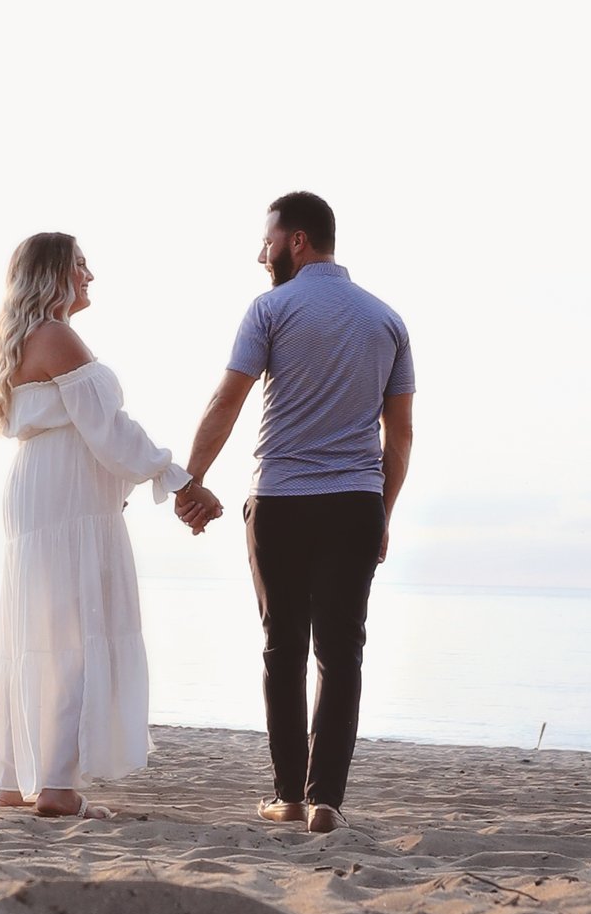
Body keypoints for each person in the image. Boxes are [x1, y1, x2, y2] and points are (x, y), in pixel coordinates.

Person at [176, 192, 413, 832]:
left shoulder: (271, 310)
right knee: (342, 653)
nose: (262, 253)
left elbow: (229, 399)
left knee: (283, 648)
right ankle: (326, 801)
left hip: (281, 501)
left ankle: (286, 795)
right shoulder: (387, 320)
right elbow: (402, 434)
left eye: (268, 240)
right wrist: (383, 512)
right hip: (355, 503)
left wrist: (191, 479)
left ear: (298, 240)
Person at [0, 231, 223, 816]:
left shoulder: (25, 338)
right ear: (54, 274)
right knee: (73, 630)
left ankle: (18, 779)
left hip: (45, 488)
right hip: (65, 497)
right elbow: (110, 431)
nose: (91, 277)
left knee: (38, 627)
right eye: (82, 267)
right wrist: (178, 479)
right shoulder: (58, 335)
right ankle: (59, 789)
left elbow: (94, 431)